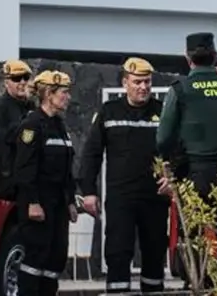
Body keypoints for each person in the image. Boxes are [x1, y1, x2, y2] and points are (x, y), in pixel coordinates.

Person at [156, 33, 217, 276]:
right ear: (215, 57)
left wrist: (172, 162)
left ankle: (196, 282)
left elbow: (163, 138)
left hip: (192, 172)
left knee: (194, 232)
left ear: (188, 58)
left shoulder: (180, 90)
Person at [79, 57, 168, 294]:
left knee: (154, 251)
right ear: (125, 82)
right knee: (118, 252)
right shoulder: (109, 112)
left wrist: (174, 178)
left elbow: (178, 150)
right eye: (137, 82)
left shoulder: (163, 113)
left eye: (147, 82)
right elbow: (91, 154)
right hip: (121, 197)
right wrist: (88, 191)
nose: (143, 87)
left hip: (155, 197)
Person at [13, 70, 78, 296]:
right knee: (35, 259)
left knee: (56, 257)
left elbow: (67, 170)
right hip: (38, 204)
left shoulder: (59, 126)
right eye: (64, 92)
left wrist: (70, 201)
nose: (68, 97)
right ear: (49, 94)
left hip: (57, 205)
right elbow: (24, 168)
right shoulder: (32, 125)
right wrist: (32, 202)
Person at [0, 59, 34, 145]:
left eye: (26, 78)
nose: (22, 82)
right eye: (16, 78)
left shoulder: (31, 105)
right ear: (6, 83)